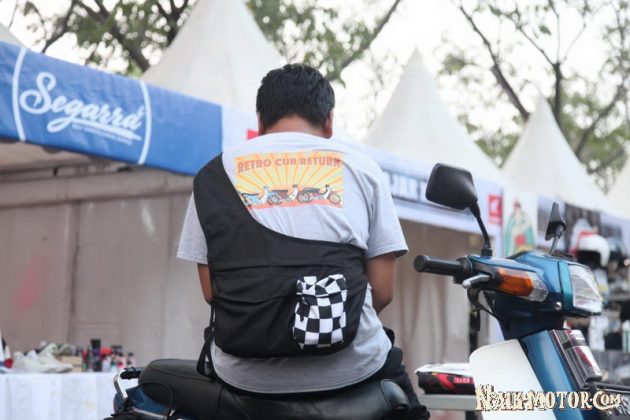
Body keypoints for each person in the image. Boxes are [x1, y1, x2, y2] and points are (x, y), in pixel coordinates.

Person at [177, 63, 429, 419]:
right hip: (354, 369)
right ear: (329, 121)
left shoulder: (213, 174)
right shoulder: (362, 169)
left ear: (260, 121)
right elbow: (383, 291)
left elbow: (211, 291)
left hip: (244, 378)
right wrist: (332, 320)